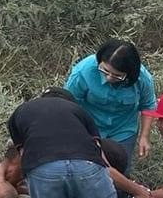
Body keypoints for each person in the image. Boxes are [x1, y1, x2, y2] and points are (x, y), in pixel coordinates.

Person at [6, 88, 137, 198]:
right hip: (87, 164)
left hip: (42, 167)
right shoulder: (79, 112)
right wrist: (135, 189)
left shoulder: (21, 112)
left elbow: (23, 155)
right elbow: (101, 158)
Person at [61, 39, 156, 173]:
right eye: (105, 71)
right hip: (88, 128)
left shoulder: (142, 78)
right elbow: (67, 103)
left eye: (118, 76)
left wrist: (144, 136)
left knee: (121, 170)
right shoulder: (83, 71)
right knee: (86, 168)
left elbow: (148, 106)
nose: (109, 78)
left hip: (123, 129)